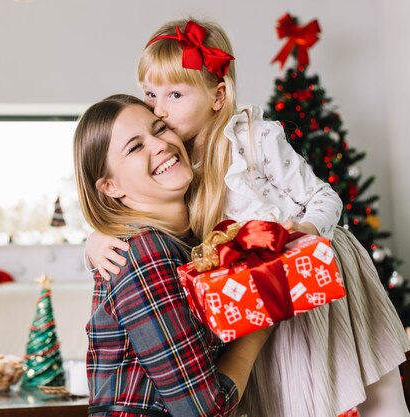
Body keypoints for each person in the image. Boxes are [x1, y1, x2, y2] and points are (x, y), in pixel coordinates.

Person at [85, 19, 410, 417]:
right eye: (151, 95)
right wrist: (97, 240)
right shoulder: (179, 166)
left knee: (369, 392)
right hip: (260, 299)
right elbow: (133, 216)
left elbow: (323, 196)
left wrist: (306, 231)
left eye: (174, 95)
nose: (160, 111)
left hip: (308, 270)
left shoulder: (252, 139)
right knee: (291, 400)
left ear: (218, 96)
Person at [74, 94, 272, 417]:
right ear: (110, 187)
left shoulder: (188, 243)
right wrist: (260, 326)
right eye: (135, 147)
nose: (160, 144)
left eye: (160, 128)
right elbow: (204, 411)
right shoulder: (141, 253)